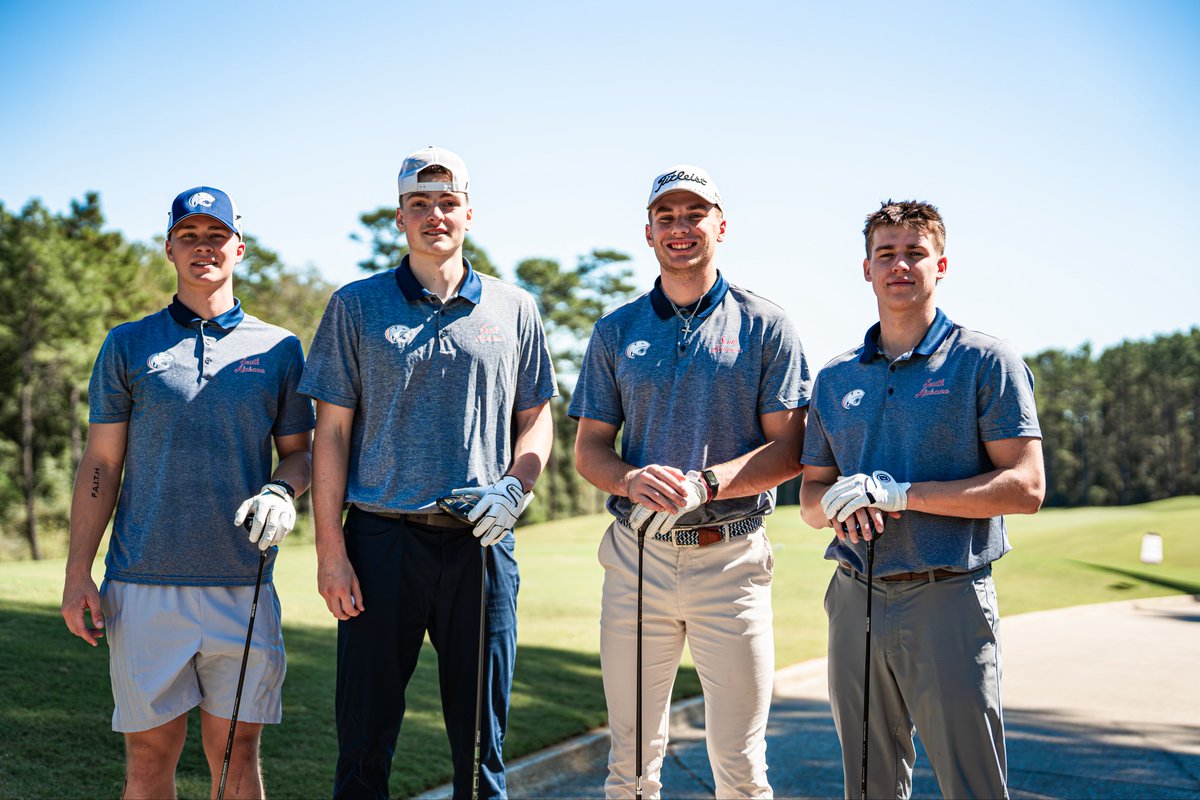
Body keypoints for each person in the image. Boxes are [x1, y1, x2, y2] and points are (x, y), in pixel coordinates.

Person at [301, 145, 555, 800]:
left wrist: (516, 488)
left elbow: (537, 419)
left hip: (482, 544)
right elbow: (329, 433)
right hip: (381, 541)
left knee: (480, 752)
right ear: (399, 218)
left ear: (469, 212)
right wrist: (331, 551)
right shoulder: (355, 307)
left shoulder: (515, 309)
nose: (434, 215)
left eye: (447, 203)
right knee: (363, 746)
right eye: (419, 204)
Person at [61, 186, 315, 799]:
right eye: (190, 236)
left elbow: (302, 454)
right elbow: (101, 461)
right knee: (149, 762)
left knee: (237, 758)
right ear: (170, 249)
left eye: (216, 236)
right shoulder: (128, 344)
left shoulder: (279, 348)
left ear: (239, 248)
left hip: (241, 582)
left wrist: (282, 491)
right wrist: (77, 573)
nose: (204, 247)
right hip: (143, 585)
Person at [571, 165, 810, 799]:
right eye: (667, 217)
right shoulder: (616, 330)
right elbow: (590, 450)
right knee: (630, 767)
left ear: (720, 226)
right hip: (636, 561)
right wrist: (628, 478)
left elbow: (792, 448)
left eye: (694, 214)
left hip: (730, 562)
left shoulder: (766, 325)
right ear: (648, 232)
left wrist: (706, 484)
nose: (681, 227)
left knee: (740, 766)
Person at [799, 200, 1045, 799]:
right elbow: (808, 496)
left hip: (949, 597)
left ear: (942, 263)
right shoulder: (835, 378)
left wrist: (903, 495)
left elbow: (1026, 486)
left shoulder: (985, 360)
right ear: (866, 269)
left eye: (914, 252)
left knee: (972, 786)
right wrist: (835, 503)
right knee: (869, 786)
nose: (900, 265)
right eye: (886, 254)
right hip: (854, 598)